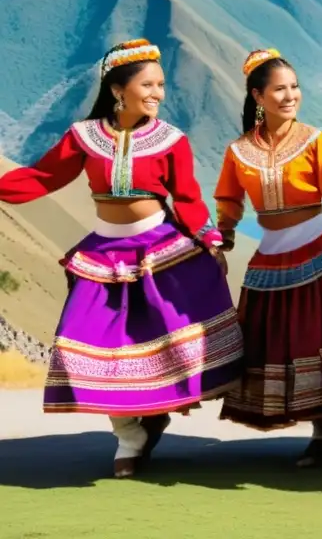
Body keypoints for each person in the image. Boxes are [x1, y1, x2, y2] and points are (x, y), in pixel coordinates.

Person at [0, 39, 244, 478]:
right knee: (93, 345)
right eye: (148, 84)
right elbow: (41, 178)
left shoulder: (172, 140)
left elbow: (187, 198)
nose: (158, 93)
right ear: (118, 90)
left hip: (161, 252)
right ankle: (129, 433)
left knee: (164, 345)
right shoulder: (84, 137)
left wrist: (209, 240)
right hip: (103, 254)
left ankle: (147, 425)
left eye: (162, 85)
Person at [213, 49, 322, 467]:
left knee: (321, 338)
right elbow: (229, 203)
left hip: (319, 250)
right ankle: (306, 419)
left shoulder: (317, 141)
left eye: (294, 87)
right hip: (271, 255)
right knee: (276, 343)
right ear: (257, 96)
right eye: (279, 89)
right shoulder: (238, 151)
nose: (290, 96)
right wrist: (221, 238)